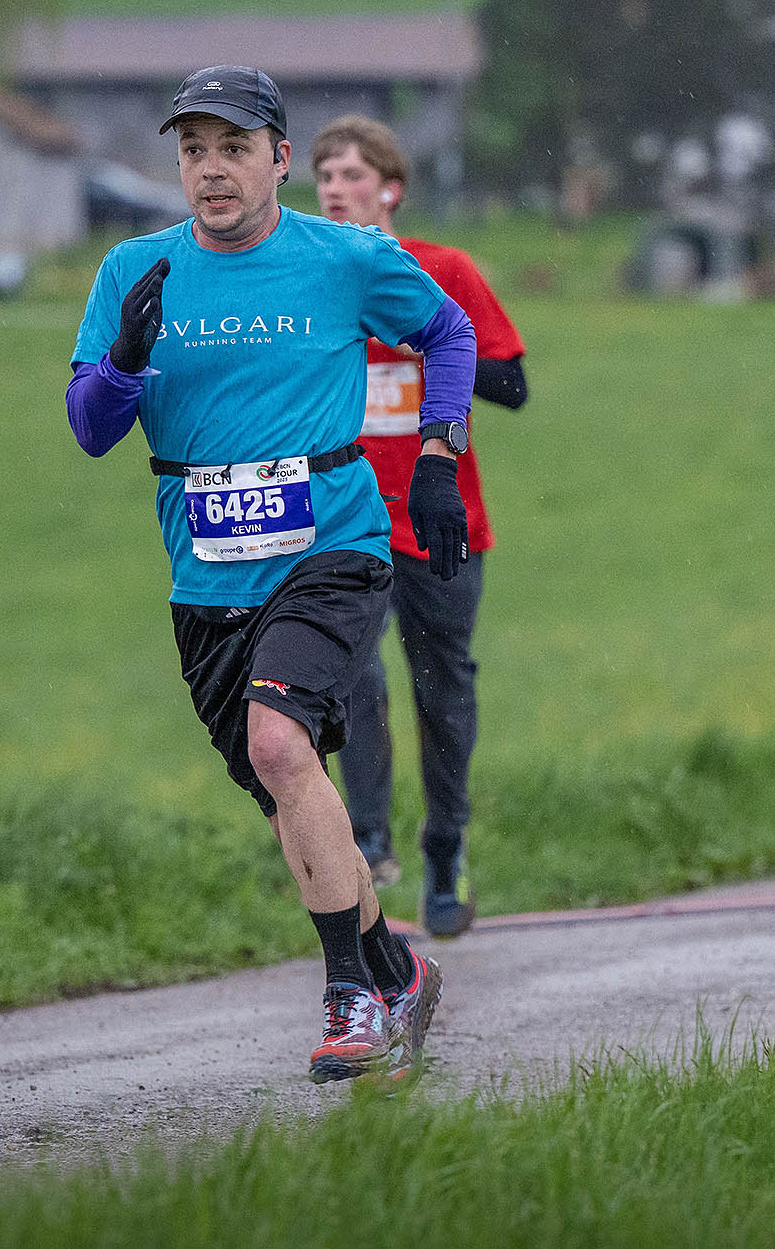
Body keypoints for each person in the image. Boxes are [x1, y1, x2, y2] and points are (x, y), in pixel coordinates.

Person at [65, 67, 469, 1085]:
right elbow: (90, 430)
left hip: (332, 545)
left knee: (280, 743)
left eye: (234, 148)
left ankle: (350, 997)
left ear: (280, 159)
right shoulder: (134, 270)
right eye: (194, 150)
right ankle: (398, 973)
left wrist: (438, 455)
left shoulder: (345, 257)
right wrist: (122, 360)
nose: (212, 169)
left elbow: (447, 331)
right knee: (293, 792)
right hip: (206, 577)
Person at [311, 114, 529, 936]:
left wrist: (431, 351)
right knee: (350, 672)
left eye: (353, 176)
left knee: (443, 690)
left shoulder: (443, 271)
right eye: (325, 177)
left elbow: (512, 385)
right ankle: (368, 837)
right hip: (344, 520)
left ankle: (446, 844)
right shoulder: (312, 277)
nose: (336, 190)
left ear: (391, 189)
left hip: (441, 518)